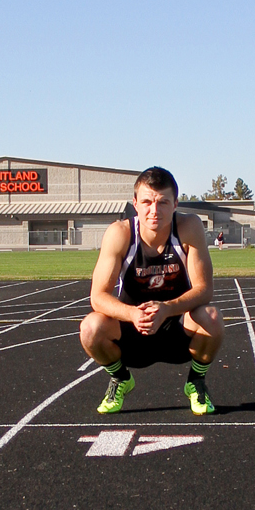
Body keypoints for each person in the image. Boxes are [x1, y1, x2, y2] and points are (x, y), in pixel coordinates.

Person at [80, 167, 223, 416]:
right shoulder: (120, 233)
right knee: (90, 327)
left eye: (162, 202)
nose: (154, 211)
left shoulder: (188, 227)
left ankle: (196, 382)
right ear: (135, 203)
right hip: (132, 329)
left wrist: (166, 308)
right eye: (146, 202)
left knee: (211, 317)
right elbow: (98, 296)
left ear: (175, 203)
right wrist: (134, 314)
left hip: (176, 325)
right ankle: (121, 378)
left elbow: (204, 289)